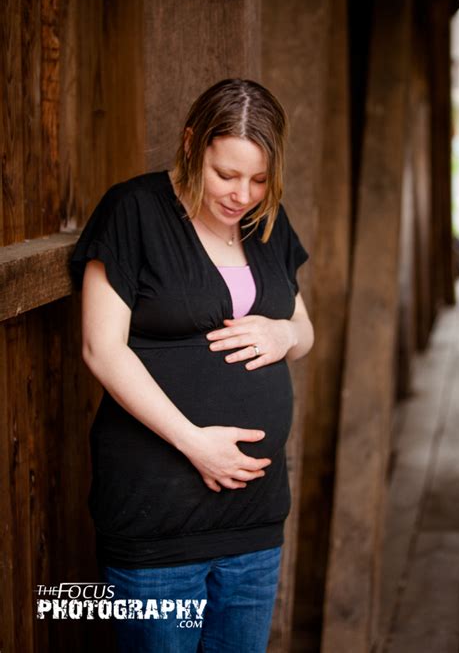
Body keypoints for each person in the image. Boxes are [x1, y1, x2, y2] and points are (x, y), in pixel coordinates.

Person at [70, 78, 314, 653]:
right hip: (159, 522)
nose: (242, 193)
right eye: (225, 174)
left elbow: (305, 332)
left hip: (254, 522)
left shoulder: (266, 222)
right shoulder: (134, 210)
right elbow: (101, 349)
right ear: (190, 145)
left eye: (258, 178)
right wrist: (194, 442)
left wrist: (283, 331)